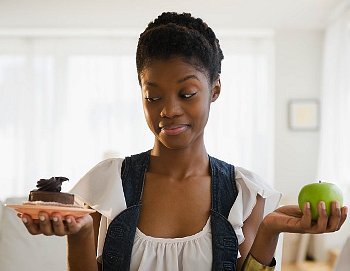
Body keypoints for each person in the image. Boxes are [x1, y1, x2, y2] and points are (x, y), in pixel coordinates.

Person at [21, 12, 348, 271]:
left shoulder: (244, 193)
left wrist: (270, 230)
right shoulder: (108, 182)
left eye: (187, 93)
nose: (168, 110)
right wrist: (79, 237)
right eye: (153, 96)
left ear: (215, 90)